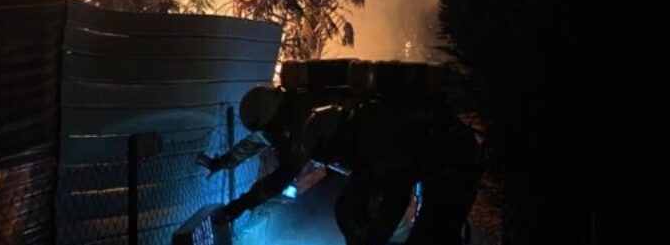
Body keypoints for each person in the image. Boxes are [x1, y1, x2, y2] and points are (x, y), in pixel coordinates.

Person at [196, 84, 482, 245]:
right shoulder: (327, 132)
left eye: (326, 156)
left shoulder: (368, 136)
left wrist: (373, 240)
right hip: (427, 160)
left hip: (454, 161)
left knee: (433, 237)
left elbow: (396, 193)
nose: (326, 163)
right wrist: (222, 165)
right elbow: (350, 202)